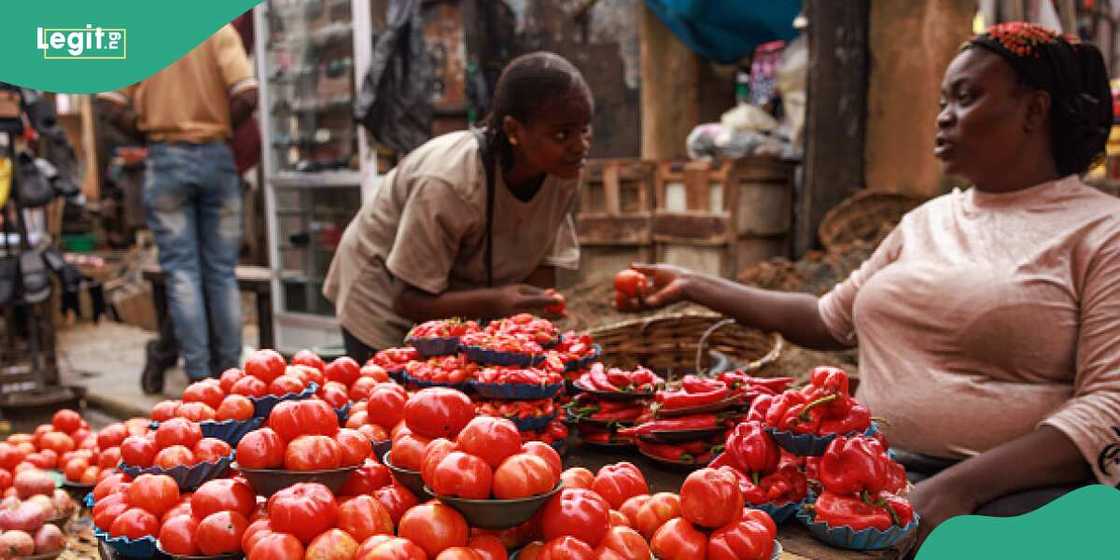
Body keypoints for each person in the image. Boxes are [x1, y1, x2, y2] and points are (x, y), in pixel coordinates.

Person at [626, 22, 1120, 547]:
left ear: (1035, 110)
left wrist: (961, 488)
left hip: (1014, 498)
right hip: (864, 474)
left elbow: (1108, 405)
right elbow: (827, 319)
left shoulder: (1100, 232)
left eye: (967, 97)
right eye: (942, 100)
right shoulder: (925, 221)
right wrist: (694, 284)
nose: (944, 115)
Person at [324, 52, 590, 364]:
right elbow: (407, 299)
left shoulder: (562, 171)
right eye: (562, 134)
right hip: (381, 298)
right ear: (514, 131)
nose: (580, 146)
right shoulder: (448, 181)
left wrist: (534, 325)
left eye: (584, 130)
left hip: (460, 303)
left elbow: (538, 277)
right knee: (401, 401)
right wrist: (494, 303)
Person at [97, 24, 259, 386]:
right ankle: (231, 378)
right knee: (221, 272)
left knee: (183, 273)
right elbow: (248, 94)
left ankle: (200, 379)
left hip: (166, 157)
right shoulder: (218, 30)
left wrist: (150, 132)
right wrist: (218, 127)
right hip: (215, 154)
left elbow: (108, 103)